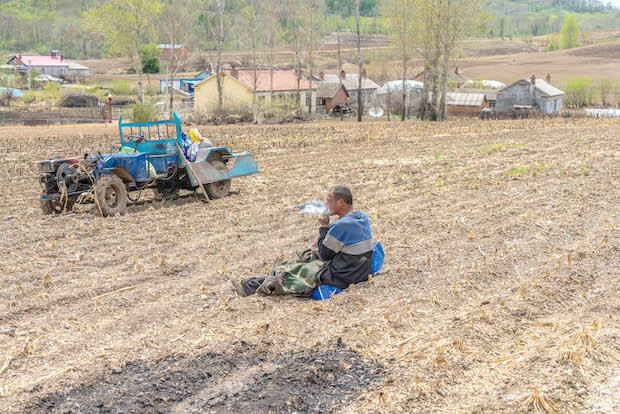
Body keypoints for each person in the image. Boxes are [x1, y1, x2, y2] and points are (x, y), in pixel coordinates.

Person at [231, 185, 373, 296]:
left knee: (293, 272)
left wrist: (324, 226)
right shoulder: (361, 216)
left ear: (341, 202)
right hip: (359, 269)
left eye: (329, 200)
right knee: (307, 255)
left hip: (342, 275)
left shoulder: (340, 225)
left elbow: (324, 254)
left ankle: (247, 286)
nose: (326, 203)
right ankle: (263, 278)